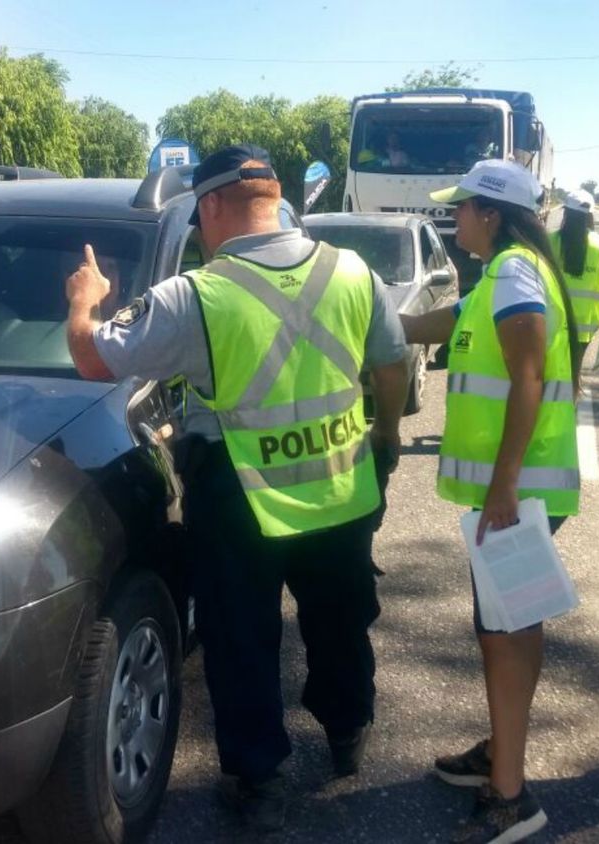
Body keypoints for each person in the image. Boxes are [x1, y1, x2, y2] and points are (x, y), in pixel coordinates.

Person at [64, 145, 410, 833]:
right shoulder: (351, 271)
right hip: (342, 488)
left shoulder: (196, 295)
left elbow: (91, 357)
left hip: (239, 499)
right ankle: (348, 732)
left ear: (213, 205)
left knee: (241, 639)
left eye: (198, 214)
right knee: (341, 619)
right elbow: (392, 362)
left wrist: (83, 302)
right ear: (275, 195)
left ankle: (260, 783)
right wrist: (385, 437)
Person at [399, 158, 584, 844]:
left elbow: (528, 377)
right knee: (513, 627)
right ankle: (501, 751)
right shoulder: (505, 274)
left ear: (493, 215)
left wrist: (504, 482)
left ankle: (509, 795)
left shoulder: (512, 273)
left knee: (501, 634)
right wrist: (386, 325)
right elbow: (448, 323)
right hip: (518, 488)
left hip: (518, 490)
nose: (454, 221)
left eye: (462, 210)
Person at [552, 189, 599, 347]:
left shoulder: (549, 241)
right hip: (584, 325)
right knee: (574, 369)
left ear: (566, 213)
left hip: (551, 321)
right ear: (590, 216)